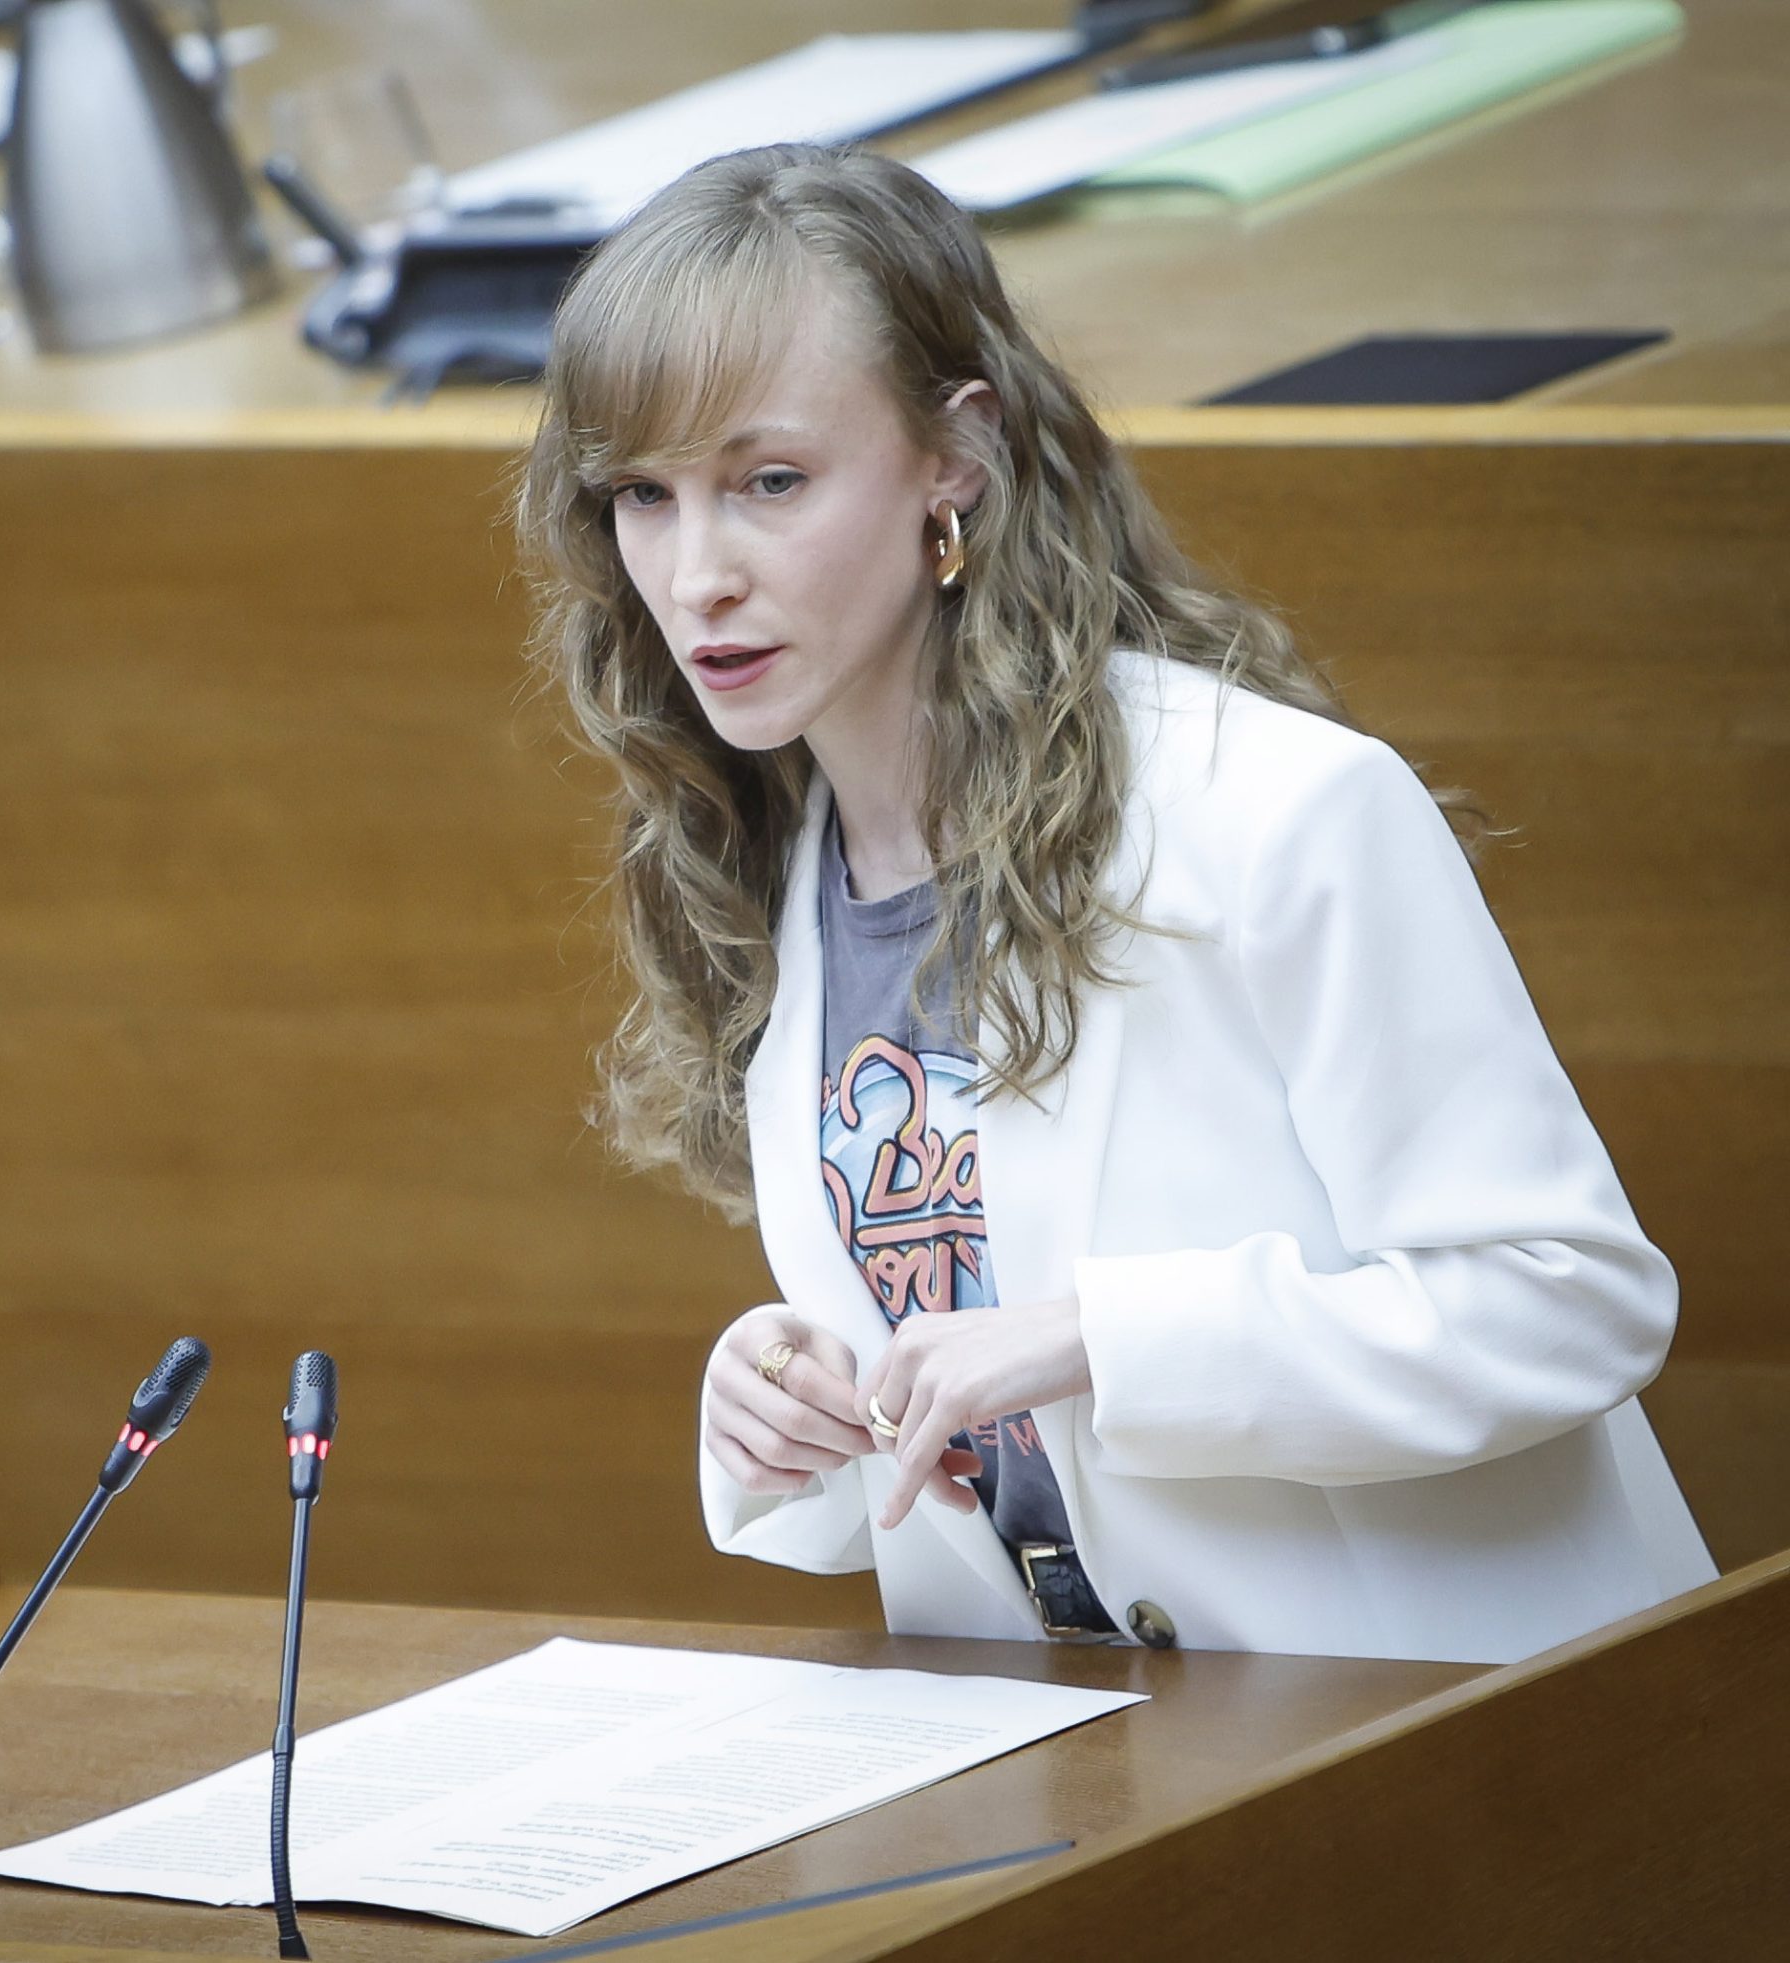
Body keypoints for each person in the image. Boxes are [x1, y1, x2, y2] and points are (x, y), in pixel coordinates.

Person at [514, 145, 1714, 1665]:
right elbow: (965, 1383)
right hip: (1086, 1772)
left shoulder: (1276, 809)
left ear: (956, 457)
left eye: (769, 482)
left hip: (1458, 1741)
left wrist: (1106, 1337)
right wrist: (780, 1407)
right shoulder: (766, 865)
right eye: (643, 496)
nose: (695, 578)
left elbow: (1571, 1305)